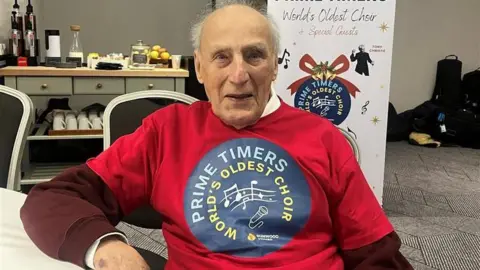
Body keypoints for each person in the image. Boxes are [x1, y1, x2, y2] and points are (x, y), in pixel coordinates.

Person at [20, 1, 412, 270]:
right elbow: (55, 198)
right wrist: (104, 247)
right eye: (221, 57)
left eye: (254, 55)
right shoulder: (167, 132)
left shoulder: (323, 138)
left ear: (275, 66)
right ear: (200, 70)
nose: (238, 74)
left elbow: (375, 253)